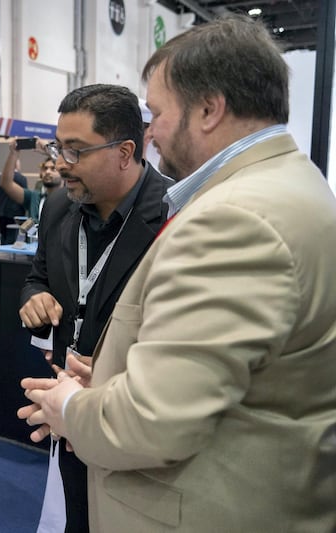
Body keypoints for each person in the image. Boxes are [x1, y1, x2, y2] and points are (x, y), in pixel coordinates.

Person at [19, 14, 336, 532]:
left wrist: (70, 405)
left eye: (158, 112)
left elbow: (153, 421)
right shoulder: (289, 184)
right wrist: (109, 379)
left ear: (209, 109)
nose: (152, 132)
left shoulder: (233, 218)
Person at [19, 84, 171, 533]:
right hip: (67, 412)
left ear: (125, 152)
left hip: (135, 419)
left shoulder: (176, 216)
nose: (61, 164)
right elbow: (38, 277)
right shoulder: (59, 206)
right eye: (57, 147)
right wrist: (33, 299)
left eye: (76, 151)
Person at [0, 143, 63, 223]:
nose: (47, 172)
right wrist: (13, 153)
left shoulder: (70, 199)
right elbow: (6, 184)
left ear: (63, 173)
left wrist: (49, 151)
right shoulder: (35, 197)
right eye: (45, 168)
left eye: (53, 169)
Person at [0, 168, 27, 244]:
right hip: (17, 213)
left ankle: (4, 249)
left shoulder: (1, 178)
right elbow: (24, 197)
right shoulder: (22, 178)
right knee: (13, 235)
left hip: (2, 212)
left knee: (3, 234)